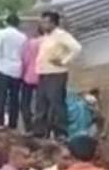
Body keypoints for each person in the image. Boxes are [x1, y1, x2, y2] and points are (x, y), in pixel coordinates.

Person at [33, 11, 82, 139]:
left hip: (56, 73)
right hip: (43, 73)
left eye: (46, 22)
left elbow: (77, 48)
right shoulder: (46, 37)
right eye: (42, 22)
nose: (43, 25)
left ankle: (61, 132)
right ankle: (39, 132)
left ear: (54, 23)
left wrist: (63, 61)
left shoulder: (61, 35)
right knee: (41, 102)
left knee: (57, 103)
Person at [0, 13, 28, 130]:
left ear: (6, 22)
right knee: (14, 98)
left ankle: (0, 123)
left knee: (0, 96)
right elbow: (23, 54)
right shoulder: (23, 37)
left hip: (3, 68)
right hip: (17, 70)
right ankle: (13, 124)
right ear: (18, 24)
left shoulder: (1, 33)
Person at [19, 29, 43, 134]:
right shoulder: (47, 43)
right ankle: (41, 128)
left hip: (28, 76)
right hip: (43, 77)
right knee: (41, 103)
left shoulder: (31, 43)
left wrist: (22, 73)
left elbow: (25, 60)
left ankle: (28, 127)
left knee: (25, 103)